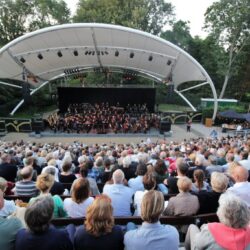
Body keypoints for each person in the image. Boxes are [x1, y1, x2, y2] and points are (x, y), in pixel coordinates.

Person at [185, 192, 250, 250]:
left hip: (202, 241)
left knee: (192, 227)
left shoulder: (210, 231)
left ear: (221, 214)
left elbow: (198, 244)